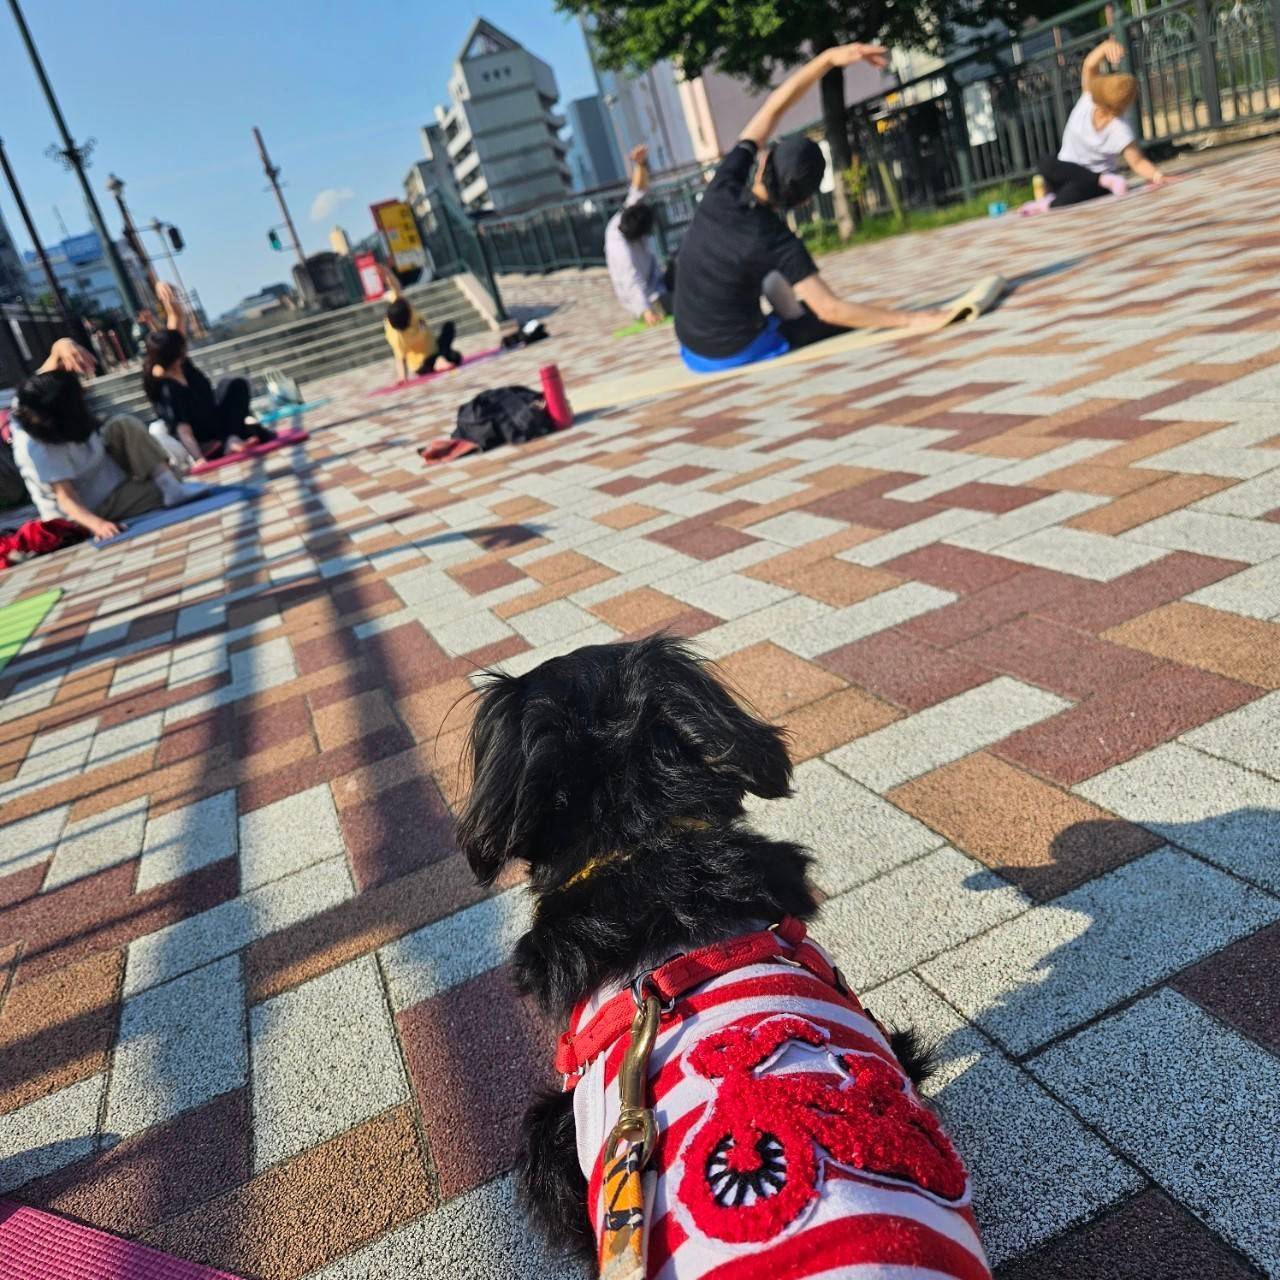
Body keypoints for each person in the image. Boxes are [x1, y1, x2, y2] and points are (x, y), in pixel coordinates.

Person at [673, 43, 946, 373]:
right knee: (818, 322)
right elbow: (830, 309)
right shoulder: (776, 238)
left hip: (690, 349)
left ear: (763, 162)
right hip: (735, 352)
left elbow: (774, 108)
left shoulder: (723, 186)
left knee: (771, 279)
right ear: (804, 201)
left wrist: (827, 59)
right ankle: (788, 329)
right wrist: (910, 320)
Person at [11, 361, 206, 543]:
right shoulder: (41, 446)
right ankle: (169, 486)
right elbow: (66, 498)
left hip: (106, 479)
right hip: (92, 507)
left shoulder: (54, 413)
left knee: (123, 424)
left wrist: (61, 348)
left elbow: (41, 386)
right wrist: (97, 525)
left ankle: (170, 487)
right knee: (165, 483)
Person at [1022, 38, 1167, 215]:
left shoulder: (1120, 128)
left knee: (1070, 195)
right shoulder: (1088, 98)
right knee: (1045, 162)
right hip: (1065, 171)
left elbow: (1137, 162)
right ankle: (1101, 180)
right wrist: (1106, 47)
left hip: (1091, 185)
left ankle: (1049, 202)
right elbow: (1090, 65)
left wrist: (1158, 176)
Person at [143, 281, 274, 460]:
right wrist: (199, 459)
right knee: (253, 432)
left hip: (215, 419)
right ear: (174, 352)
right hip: (201, 435)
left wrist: (163, 292)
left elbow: (176, 318)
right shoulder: (167, 385)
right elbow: (183, 429)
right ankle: (227, 440)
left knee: (234, 385)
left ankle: (231, 439)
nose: (185, 347)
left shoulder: (181, 362)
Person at [605, 144, 673, 326]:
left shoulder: (630, 214)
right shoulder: (617, 243)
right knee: (680, 302)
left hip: (656, 281)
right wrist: (646, 311)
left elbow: (638, 189)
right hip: (645, 298)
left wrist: (640, 164)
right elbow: (630, 278)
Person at [379, 262, 463, 383]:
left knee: (450, 330)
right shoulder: (397, 337)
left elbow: (395, 286)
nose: (410, 305)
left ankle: (441, 360)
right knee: (447, 358)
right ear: (406, 317)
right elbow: (400, 358)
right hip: (422, 363)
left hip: (435, 347)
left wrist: (387, 272)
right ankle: (439, 362)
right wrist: (402, 378)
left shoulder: (402, 307)